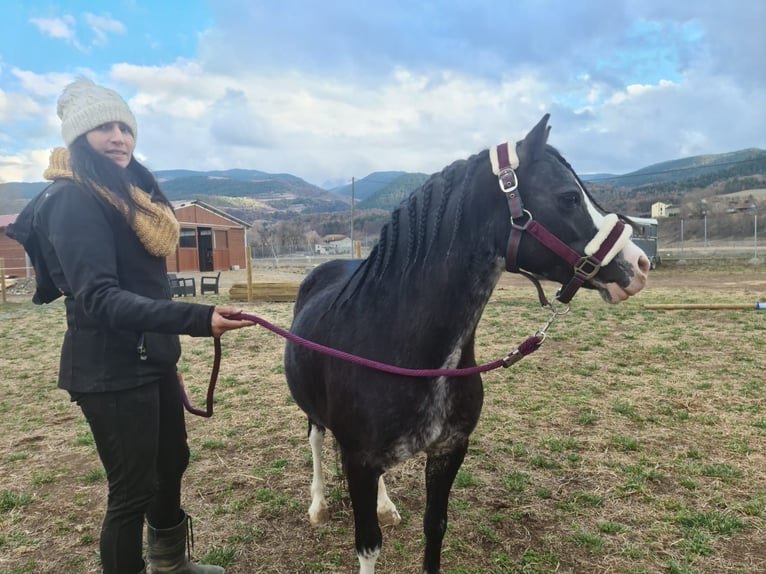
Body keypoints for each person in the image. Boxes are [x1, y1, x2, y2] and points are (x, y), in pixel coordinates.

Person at [15, 77, 253, 574]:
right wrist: (198, 318)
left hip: (150, 361)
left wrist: (168, 351)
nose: (119, 136)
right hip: (110, 370)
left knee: (171, 465)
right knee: (131, 492)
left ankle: (170, 564)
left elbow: (144, 292)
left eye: (125, 126)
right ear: (80, 138)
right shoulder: (74, 200)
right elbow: (101, 298)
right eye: (104, 127)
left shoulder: (128, 196)